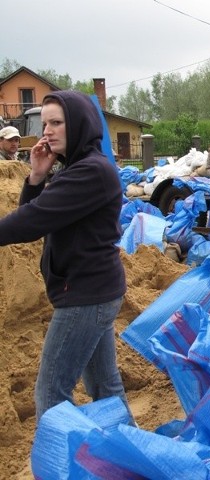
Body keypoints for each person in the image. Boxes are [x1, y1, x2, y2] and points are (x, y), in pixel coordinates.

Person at [0, 91, 133, 423]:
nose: (47, 131)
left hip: (85, 296)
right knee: (104, 386)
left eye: (57, 123)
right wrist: (36, 176)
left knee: (51, 394)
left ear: (79, 124)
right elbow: (34, 213)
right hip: (94, 290)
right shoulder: (77, 168)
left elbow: (31, 222)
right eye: (45, 124)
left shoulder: (90, 172)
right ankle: (141, 464)